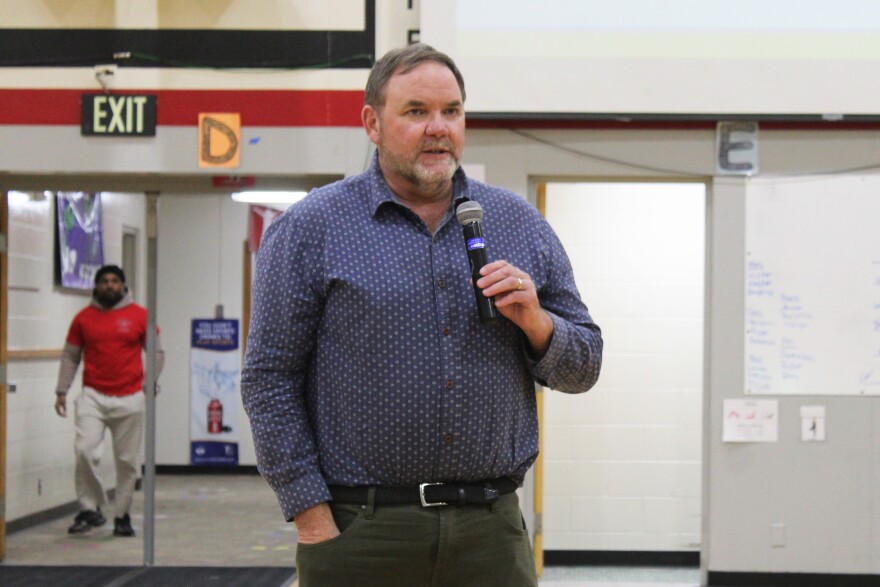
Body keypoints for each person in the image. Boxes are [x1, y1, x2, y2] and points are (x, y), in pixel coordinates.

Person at [241, 43, 602, 587]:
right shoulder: (312, 228)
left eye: (451, 112)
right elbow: (269, 378)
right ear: (372, 123)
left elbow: (585, 366)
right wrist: (310, 515)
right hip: (361, 532)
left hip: (491, 534)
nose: (439, 128)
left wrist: (536, 322)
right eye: (416, 112)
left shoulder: (518, 222)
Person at [54, 264, 164, 537]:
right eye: (104, 281)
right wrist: (61, 390)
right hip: (93, 395)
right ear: (96, 286)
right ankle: (90, 507)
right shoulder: (83, 318)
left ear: (124, 286)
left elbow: (156, 352)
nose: (110, 285)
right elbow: (70, 356)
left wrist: (148, 382)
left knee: (126, 461)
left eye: (115, 281)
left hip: (129, 397)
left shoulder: (141, 316)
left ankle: (122, 515)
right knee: (84, 450)